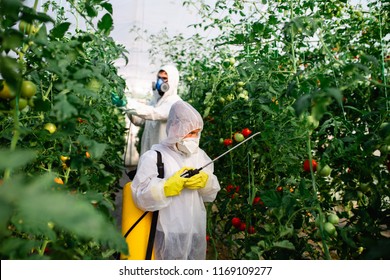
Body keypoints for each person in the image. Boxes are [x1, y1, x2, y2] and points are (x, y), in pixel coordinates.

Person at [131, 100, 221, 260]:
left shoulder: (200, 156)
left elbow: (211, 193)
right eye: (189, 132)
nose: (194, 138)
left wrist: (206, 182)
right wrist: (164, 188)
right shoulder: (155, 157)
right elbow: (140, 197)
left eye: (197, 133)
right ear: (174, 129)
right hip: (167, 230)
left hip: (194, 229)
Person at [126, 64, 183, 156]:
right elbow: (140, 121)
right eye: (158, 78)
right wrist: (126, 108)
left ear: (172, 81)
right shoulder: (155, 102)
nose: (160, 82)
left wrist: (127, 102)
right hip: (149, 151)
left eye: (164, 79)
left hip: (165, 155)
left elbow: (154, 114)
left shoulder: (175, 103)